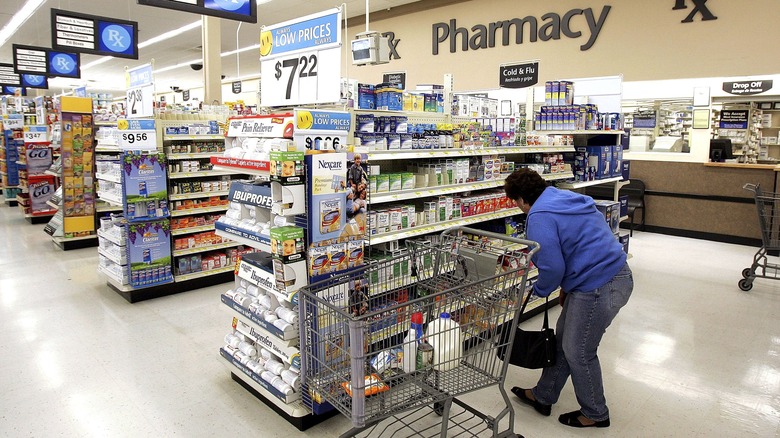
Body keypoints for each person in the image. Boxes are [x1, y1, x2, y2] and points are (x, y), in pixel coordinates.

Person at [503, 168, 633, 429]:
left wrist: (538, 291)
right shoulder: (561, 197)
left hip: (599, 285)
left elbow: (552, 267)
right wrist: (568, 286)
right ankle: (543, 395)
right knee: (562, 340)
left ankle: (596, 412)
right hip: (606, 276)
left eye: (515, 202)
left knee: (578, 350)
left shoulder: (539, 215)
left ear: (519, 200)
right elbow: (581, 241)